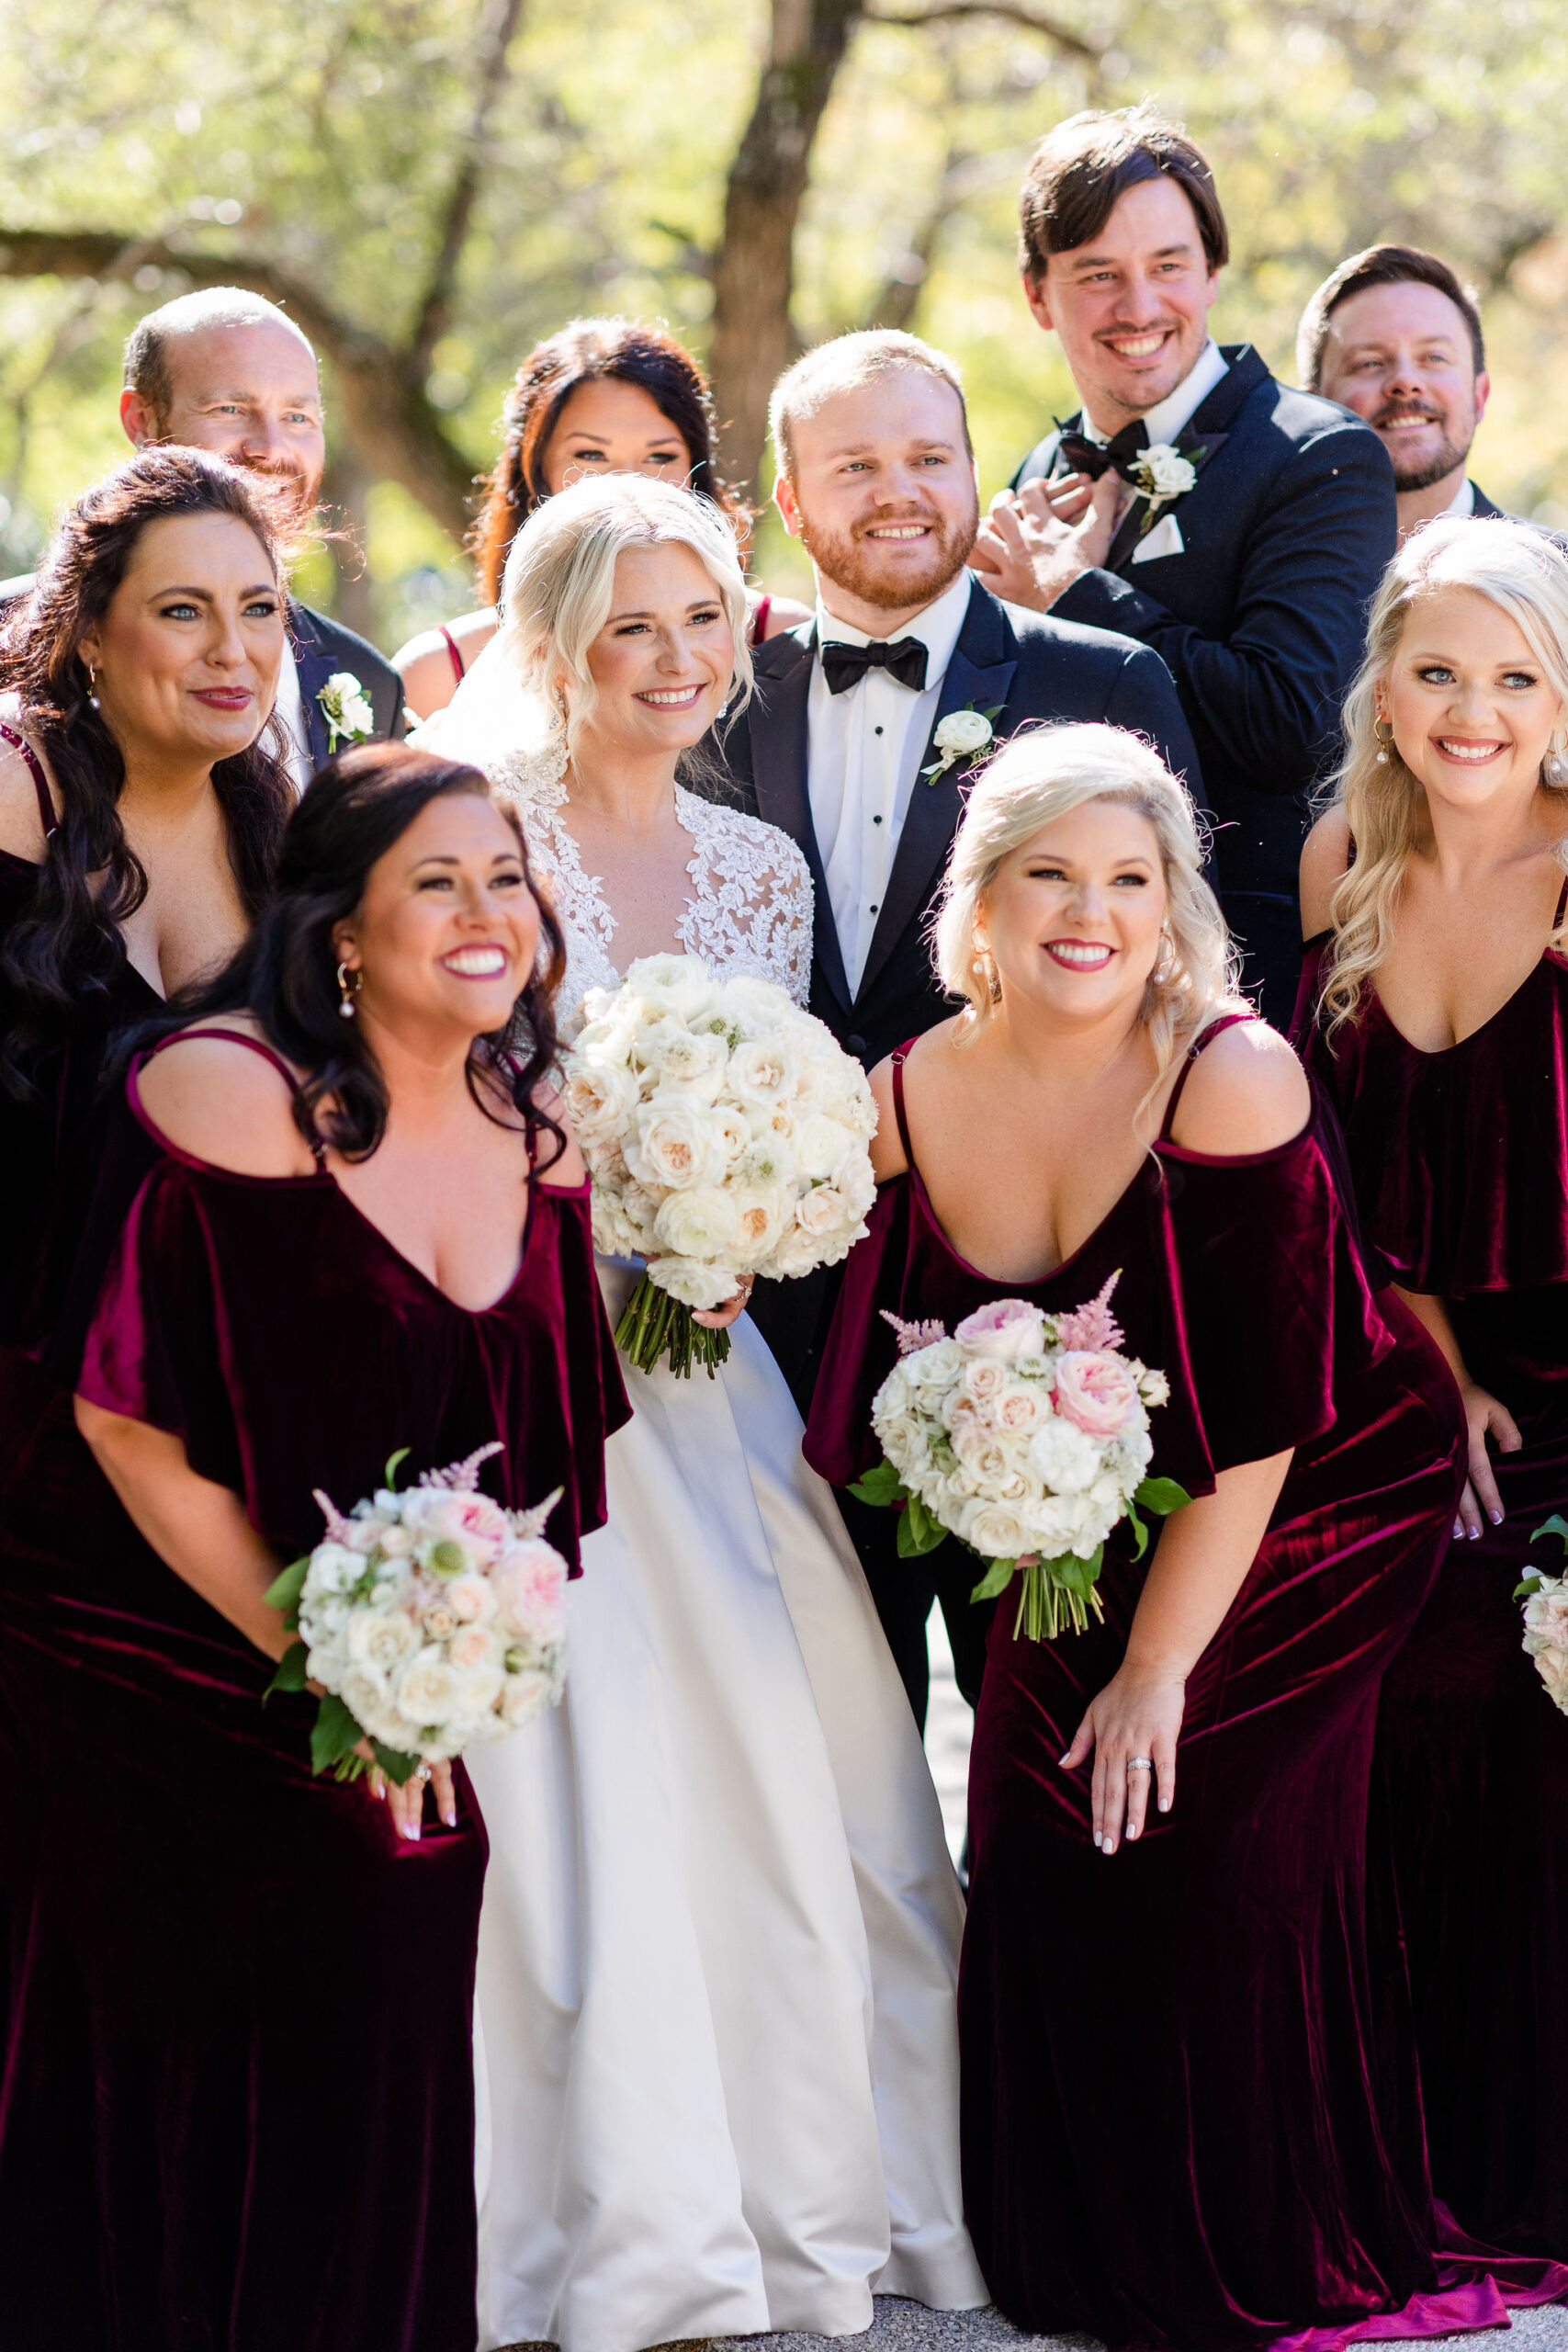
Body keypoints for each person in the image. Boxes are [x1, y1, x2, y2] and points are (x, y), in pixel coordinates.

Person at [806, 720, 1568, 2347]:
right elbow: (772, 1216)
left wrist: (1156, 1672)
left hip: (1312, 1487)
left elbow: (1264, 1422)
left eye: (1128, 881)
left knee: (1187, 1811)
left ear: (1172, 907)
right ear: (982, 904)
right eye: (1048, 877)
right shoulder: (908, 1088)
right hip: (1090, 1506)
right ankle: (1061, 2238)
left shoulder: (1228, 1071)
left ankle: (1256, 2229)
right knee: (1025, 1820)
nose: (1089, 914)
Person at [426, 471, 986, 2352]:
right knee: (597, 1759)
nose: (668, 662)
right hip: (537, 1340)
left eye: (696, 621)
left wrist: (749, 1218)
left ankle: (831, 2183)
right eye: (626, 627)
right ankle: (622, 2209)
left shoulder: (758, 868)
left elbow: (792, 1098)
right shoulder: (486, 831)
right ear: (558, 643)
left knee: (813, 1748)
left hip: (708, 1351)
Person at [0, 742, 628, 2349]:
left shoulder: (533, 1135)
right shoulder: (228, 1092)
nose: (489, 912)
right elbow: (128, 1423)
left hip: (361, 1652)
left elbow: (528, 1471)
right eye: (438, 881)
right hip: (145, 1636)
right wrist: (329, 1671)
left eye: (506, 876)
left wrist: (426, 1667)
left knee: (415, 1891)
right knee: (304, 1922)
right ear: (339, 931)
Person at [705, 324, 1200, 1729]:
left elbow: (1176, 976)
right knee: (817, 1739)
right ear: (789, 504)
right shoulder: (716, 704)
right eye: (854, 465)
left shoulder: (1098, 682)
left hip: (1034, 1313)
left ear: (977, 474)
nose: (899, 490)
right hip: (777, 1317)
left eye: (929, 457)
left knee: (1046, 1737)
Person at [1296, 514, 1568, 2256]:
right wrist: (1436, 1371)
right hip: (1428, 1374)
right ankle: (1394, 2148)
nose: (1475, 710)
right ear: (1384, 690)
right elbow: (1343, 1168)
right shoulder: (1342, 869)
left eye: (1517, 677)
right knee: (1364, 1676)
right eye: (1440, 671)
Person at [986, 106, 1396, 1024]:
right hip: (1050, 971)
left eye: (1167, 266)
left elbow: (1292, 725)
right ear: (1039, 295)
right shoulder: (1035, 477)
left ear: (1211, 272)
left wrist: (1076, 595)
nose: (1138, 307)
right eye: (1098, 275)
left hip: (1237, 977)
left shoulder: (1317, 455)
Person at [0, 446, 293, 1360]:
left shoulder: (276, 827)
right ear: (89, 631)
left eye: (258, 610)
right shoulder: (15, 786)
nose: (232, 651)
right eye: (182, 612)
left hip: (188, 1370)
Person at [2, 286, 403, 778]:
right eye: (229, 409)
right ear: (141, 420)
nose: (271, 449)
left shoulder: (369, 681)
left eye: (297, 417)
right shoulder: (6, 634)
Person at [393, 316, 809, 718]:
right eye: (590, 455)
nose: (628, 480)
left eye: (660, 456)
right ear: (534, 472)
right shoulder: (439, 674)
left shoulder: (786, 642)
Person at [1300, 244, 1502, 539]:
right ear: (1314, 409)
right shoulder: (1253, 576)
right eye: (1369, 363)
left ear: (1479, 396)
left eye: (1434, 358)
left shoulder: (1558, 578)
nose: (1405, 382)